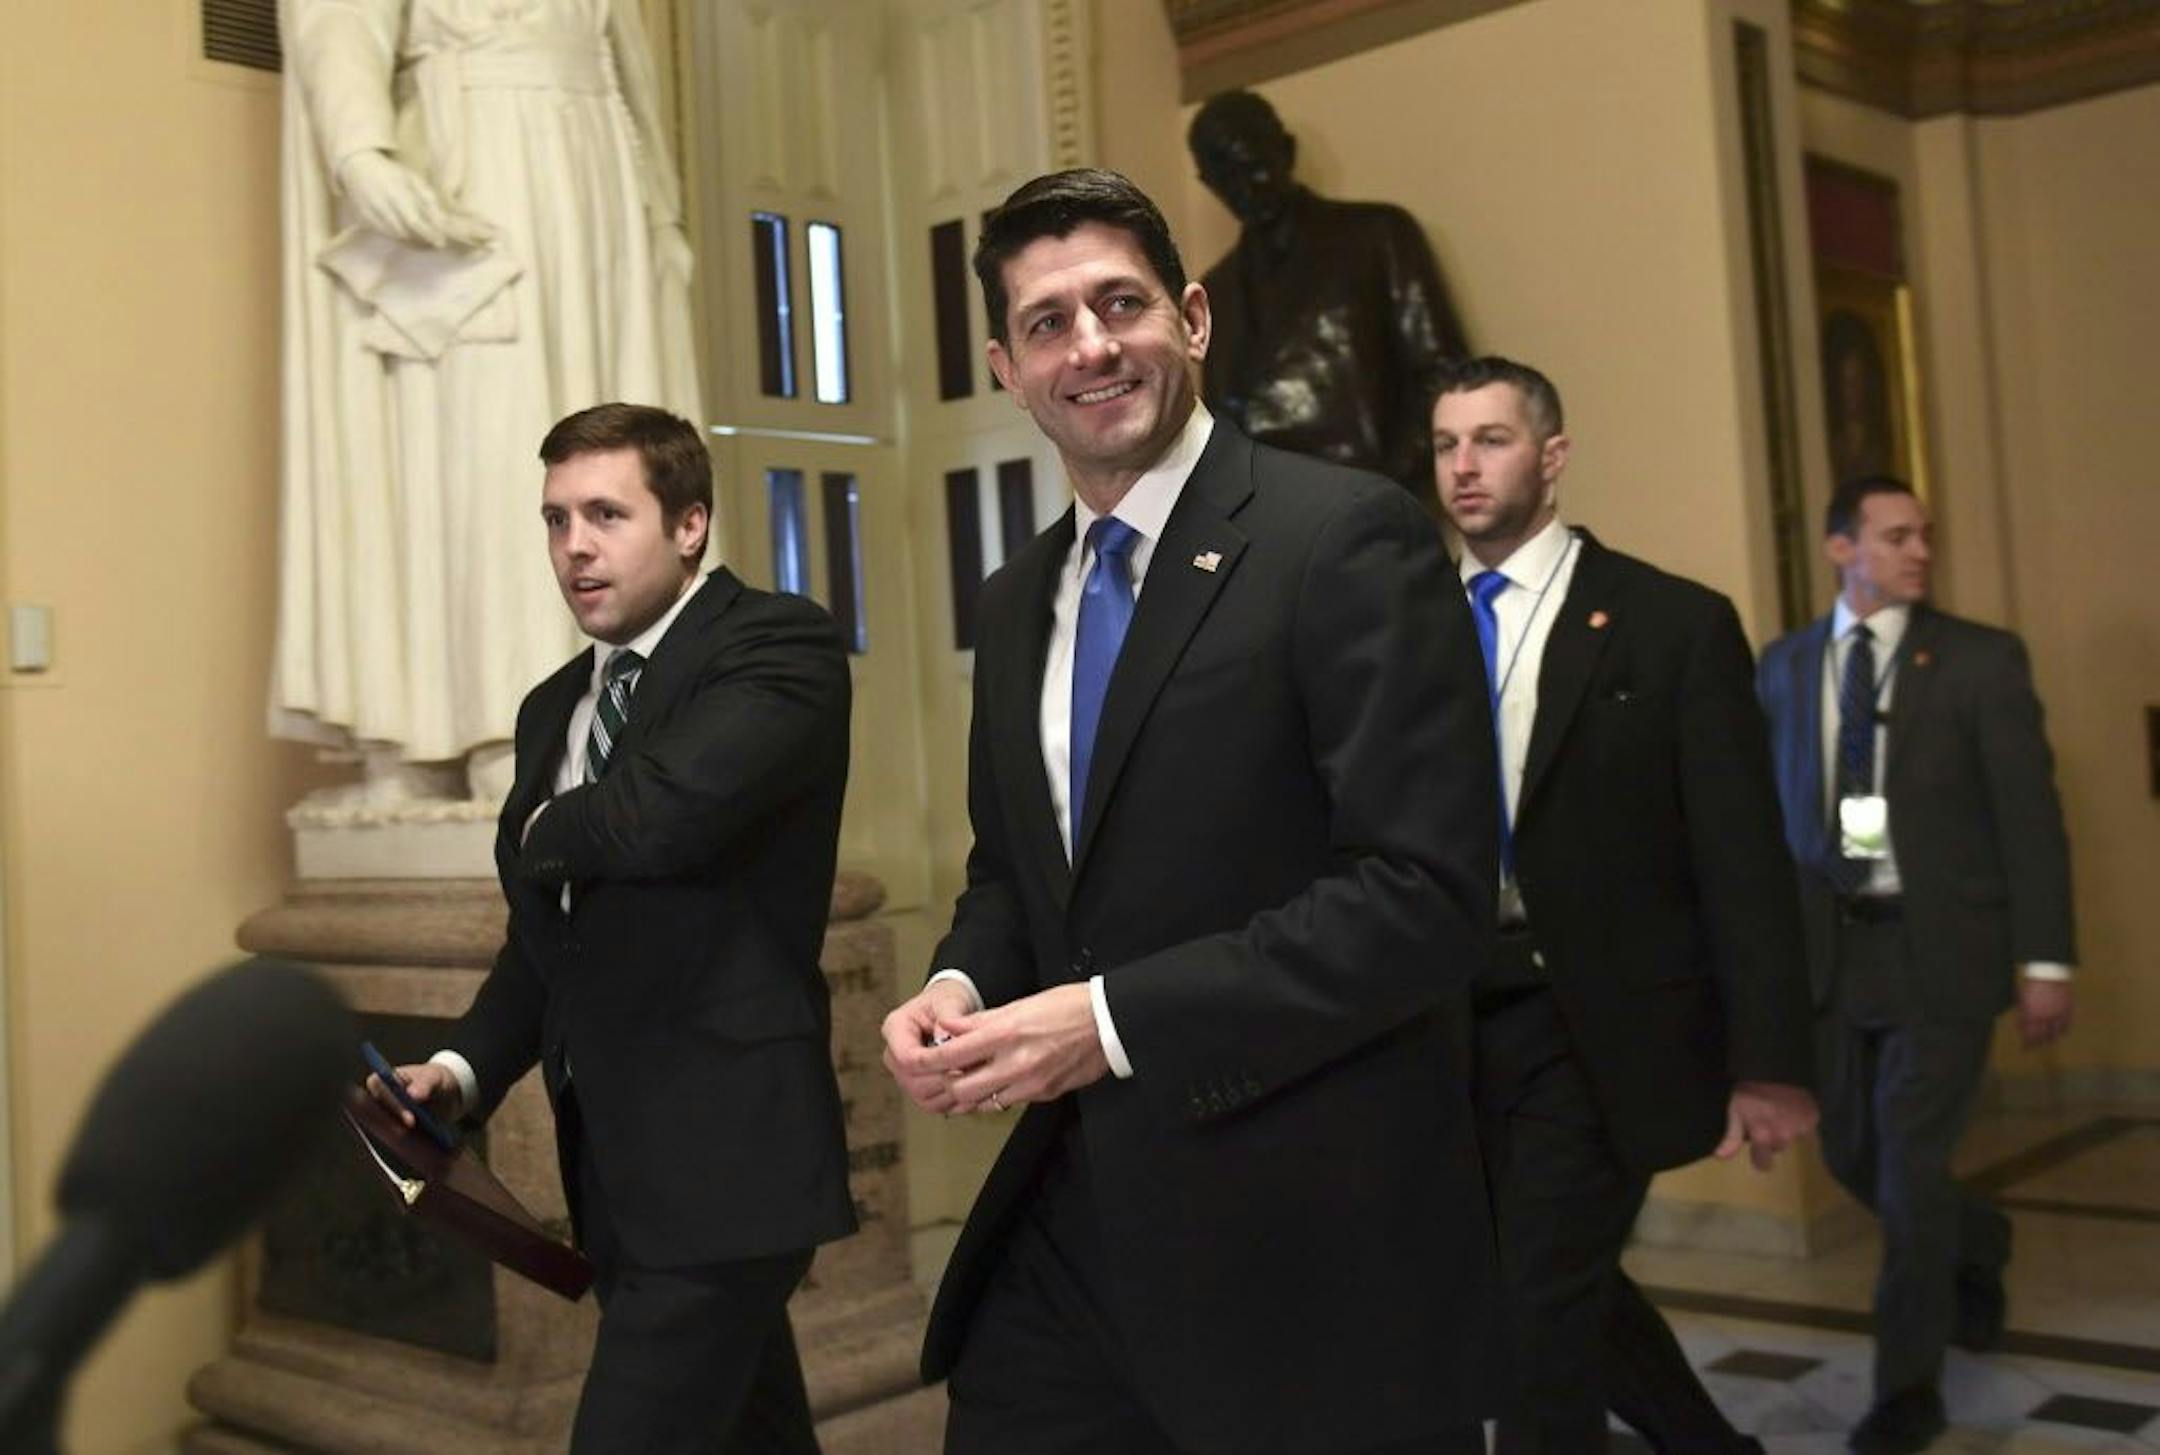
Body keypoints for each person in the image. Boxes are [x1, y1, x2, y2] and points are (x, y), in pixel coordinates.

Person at [880, 169, 1499, 1455]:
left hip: (1301, 1236)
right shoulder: (1015, 600)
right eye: (1047, 323)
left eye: (1122, 304)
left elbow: (1424, 899)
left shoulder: (1345, 538)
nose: (1091, 346)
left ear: (1195, 319)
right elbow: (1017, 877)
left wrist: (1110, 1023)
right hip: (1068, 1228)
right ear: (1007, 369)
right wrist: (957, 983)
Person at [369, 404, 856, 1454]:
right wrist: (458, 1069)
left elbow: (658, 816)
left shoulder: (775, 643)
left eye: (605, 514)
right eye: (556, 519)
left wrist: (542, 827)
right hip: (616, 1178)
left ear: (689, 525)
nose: (574, 547)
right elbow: (549, 942)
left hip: (731, 1167)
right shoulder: (553, 707)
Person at [1429, 356, 1818, 1453]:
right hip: (1451, 1013)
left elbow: (1742, 858)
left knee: (1536, 1317)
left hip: (1602, 1018)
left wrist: (1769, 1058)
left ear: (1552, 456)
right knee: (1557, 1280)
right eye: (1447, 444)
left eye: (1491, 439)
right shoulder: (1405, 627)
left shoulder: (1669, 623)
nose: (1464, 466)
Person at [274, 0, 703, 792]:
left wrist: (661, 206)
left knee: (620, 456)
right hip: (476, 165)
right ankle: (494, 723)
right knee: (491, 450)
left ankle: (621, 717)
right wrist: (358, 148)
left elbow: (621, 56)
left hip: (595, 174)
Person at [1758, 477, 2076, 1455]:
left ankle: (1907, 1391)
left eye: (1924, 536)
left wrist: (2046, 959)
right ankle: (1979, 1238)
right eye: (1896, 536)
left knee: (1908, 1167)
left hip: (1939, 949)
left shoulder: (1979, 659)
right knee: (1853, 1154)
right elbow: (1767, 818)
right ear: (1840, 548)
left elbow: (2030, 820)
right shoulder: (1784, 665)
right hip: (1831, 951)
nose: (1920, 552)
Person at [1189, 90, 1467, 504]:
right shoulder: (1216, 292)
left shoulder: (1376, 236)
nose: (1243, 187)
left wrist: (1383, 490)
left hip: (1376, 507)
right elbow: (1222, 433)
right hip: (1271, 521)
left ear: (1285, 150)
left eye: (1252, 165)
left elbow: (1445, 379)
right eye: (1225, 177)